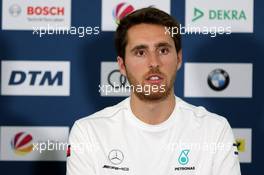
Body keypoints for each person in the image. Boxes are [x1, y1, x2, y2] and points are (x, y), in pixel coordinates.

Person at [67, 7, 241, 175]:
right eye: (140, 52)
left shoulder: (214, 130)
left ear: (178, 58)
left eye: (163, 50)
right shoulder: (89, 133)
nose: (154, 62)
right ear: (122, 65)